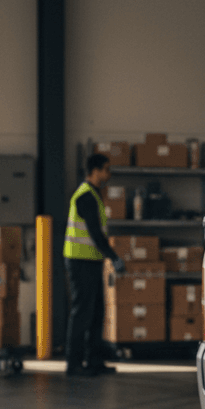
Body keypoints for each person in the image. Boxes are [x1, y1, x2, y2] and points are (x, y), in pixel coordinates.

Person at [64, 153, 127, 376]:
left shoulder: (94, 194)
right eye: (106, 169)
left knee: (97, 311)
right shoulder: (86, 196)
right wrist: (114, 257)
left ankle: (94, 361)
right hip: (80, 261)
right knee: (82, 312)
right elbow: (95, 234)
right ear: (96, 170)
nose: (109, 174)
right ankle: (73, 363)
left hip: (90, 261)